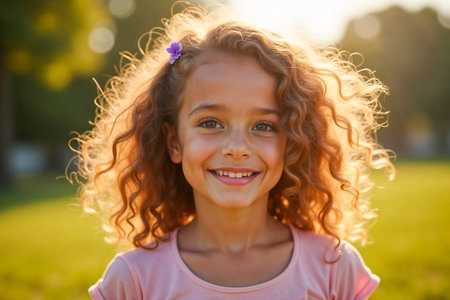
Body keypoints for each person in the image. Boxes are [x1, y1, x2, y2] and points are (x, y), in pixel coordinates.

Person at [72, 2, 395, 299]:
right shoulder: (134, 279)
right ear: (174, 142)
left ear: (293, 142)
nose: (237, 148)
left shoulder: (333, 267)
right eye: (211, 123)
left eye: (264, 126)